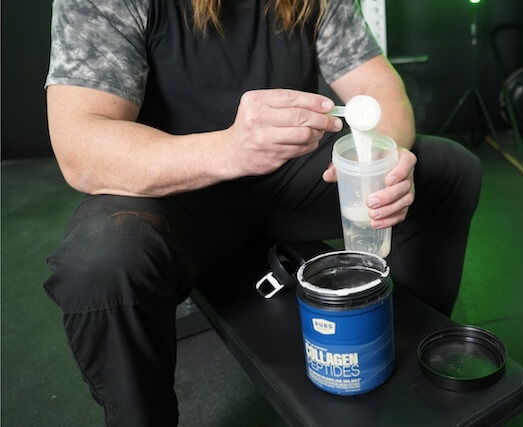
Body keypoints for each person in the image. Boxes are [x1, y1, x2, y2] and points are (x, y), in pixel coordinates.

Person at [43, 0, 481, 425]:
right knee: (100, 262)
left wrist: (388, 156)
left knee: (446, 171)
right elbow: (80, 144)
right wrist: (229, 150)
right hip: (173, 189)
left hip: (284, 180)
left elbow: (377, 91)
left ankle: (390, 346)